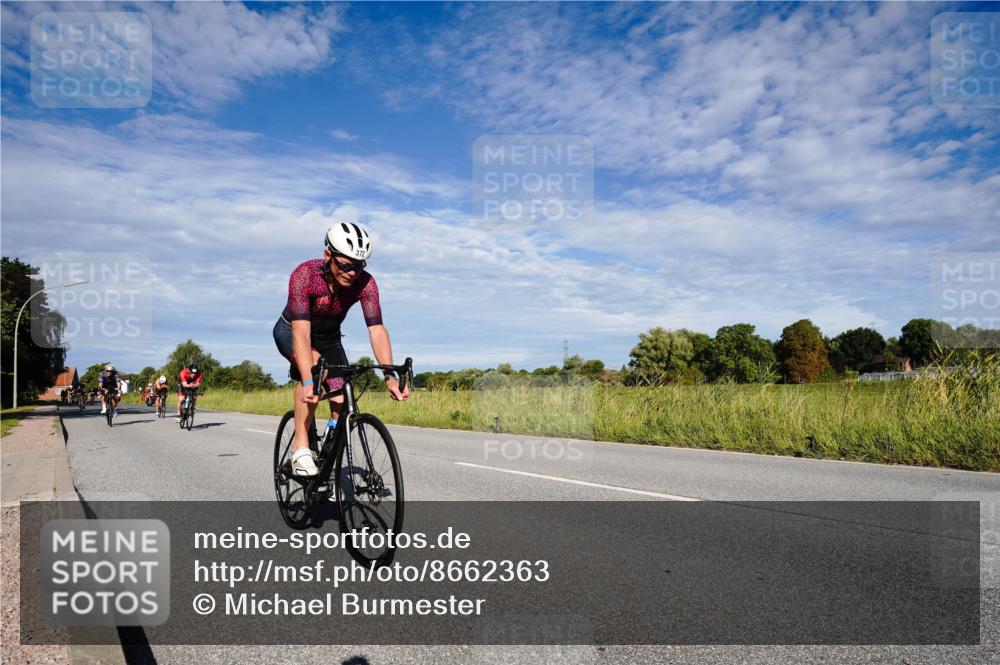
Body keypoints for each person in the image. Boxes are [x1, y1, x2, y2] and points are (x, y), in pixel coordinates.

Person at [273, 221, 409, 477]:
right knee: (315, 371)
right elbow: (301, 333)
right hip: (291, 330)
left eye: (359, 266)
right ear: (328, 256)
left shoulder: (365, 284)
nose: (352, 272)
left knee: (342, 399)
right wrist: (308, 379)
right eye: (346, 265)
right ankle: (300, 448)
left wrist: (390, 376)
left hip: (330, 338)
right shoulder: (305, 275)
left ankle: (327, 459)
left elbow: (377, 329)